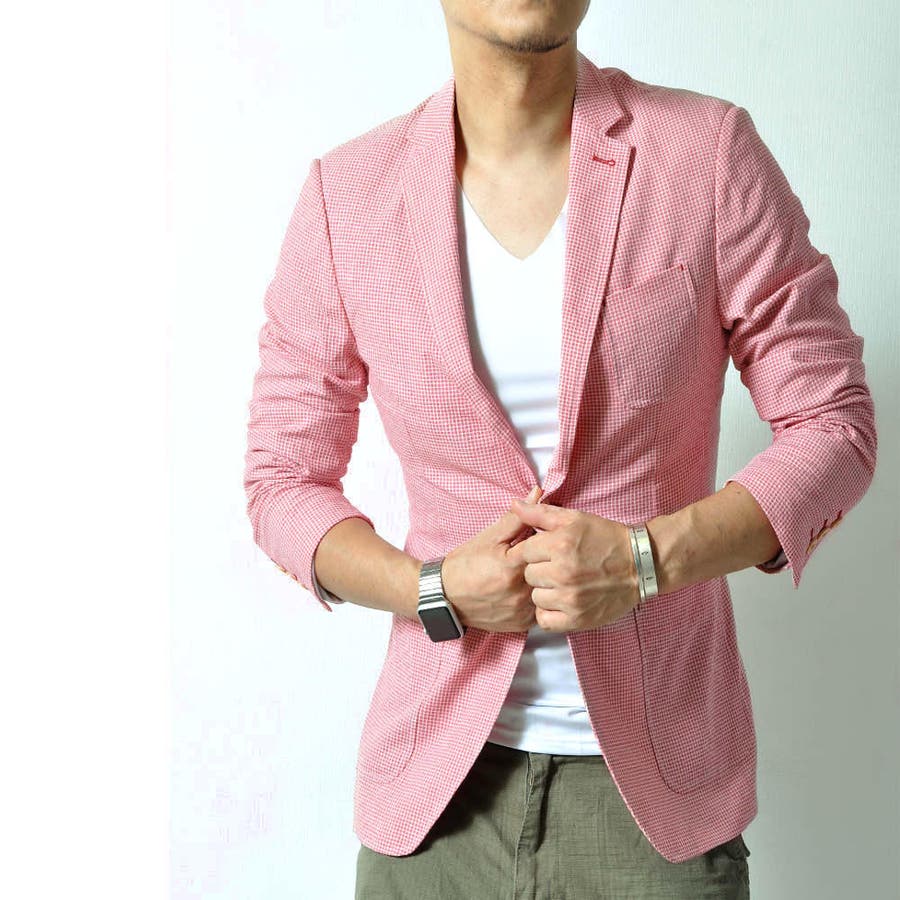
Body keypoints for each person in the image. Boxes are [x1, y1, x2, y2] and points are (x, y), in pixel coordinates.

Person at [243, 2, 877, 897]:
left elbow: (833, 423)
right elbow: (282, 479)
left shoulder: (706, 154)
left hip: (656, 807)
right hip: (435, 805)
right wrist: (432, 590)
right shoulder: (346, 198)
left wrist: (644, 559)